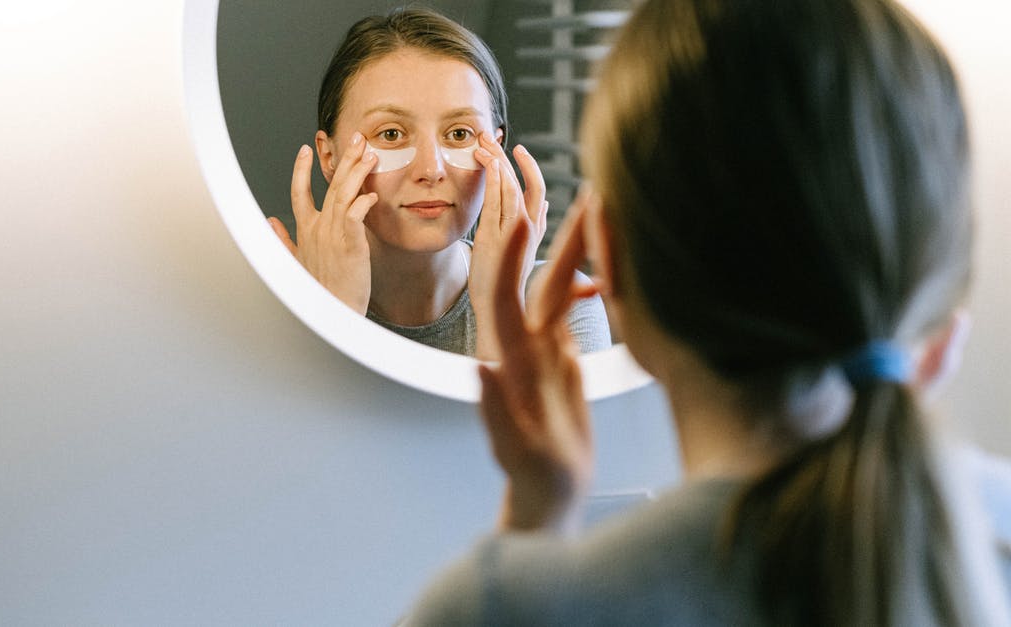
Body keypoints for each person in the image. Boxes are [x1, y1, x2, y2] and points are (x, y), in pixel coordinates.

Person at [401, 0, 1011, 625]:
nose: (428, 168)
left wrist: (533, 530)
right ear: (940, 317)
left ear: (606, 254)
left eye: (458, 133)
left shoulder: (503, 609)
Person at [267, 8, 612, 360]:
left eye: (459, 134)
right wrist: (331, 320)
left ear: (497, 147)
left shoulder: (563, 307)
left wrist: (499, 313)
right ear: (329, 157)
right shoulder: (272, 306)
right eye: (391, 134)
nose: (431, 170)